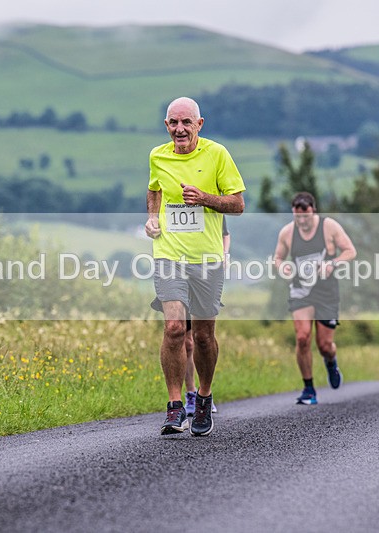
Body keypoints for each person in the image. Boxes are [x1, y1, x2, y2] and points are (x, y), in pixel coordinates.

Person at [145, 97, 245, 436]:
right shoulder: (157, 156)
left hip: (207, 259)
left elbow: (238, 204)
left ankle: (203, 396)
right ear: (166, 125)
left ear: (200, 124)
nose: (179, 129)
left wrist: (205, 198)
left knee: (203, 336)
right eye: (173, 123)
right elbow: (154, 189)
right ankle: (174, 407)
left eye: (186, 122)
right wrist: (151, 218)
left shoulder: (218, 154)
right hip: (169, 255)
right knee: (174, 328)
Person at [273, 192, 357, 405]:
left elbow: (350, 251)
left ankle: (331, 361)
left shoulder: (329, 227)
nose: (302, 222)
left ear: (313, 211)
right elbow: (278, 258)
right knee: (302, 337)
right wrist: (284, 269)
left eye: (306, 217)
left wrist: (333, 263)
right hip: (300, 291)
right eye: (297, 217)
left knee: (324, 345)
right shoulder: (287, 233)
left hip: (326, 292)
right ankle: (309, 389)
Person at [183, 216, 228, 417]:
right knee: (184, 339)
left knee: (202, 337)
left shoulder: (208, 199)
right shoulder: (170, 197)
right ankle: (191, 393)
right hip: (177, 272)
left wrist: (224, 256)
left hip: (206, 272)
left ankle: (204, 392)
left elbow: (225, 234)